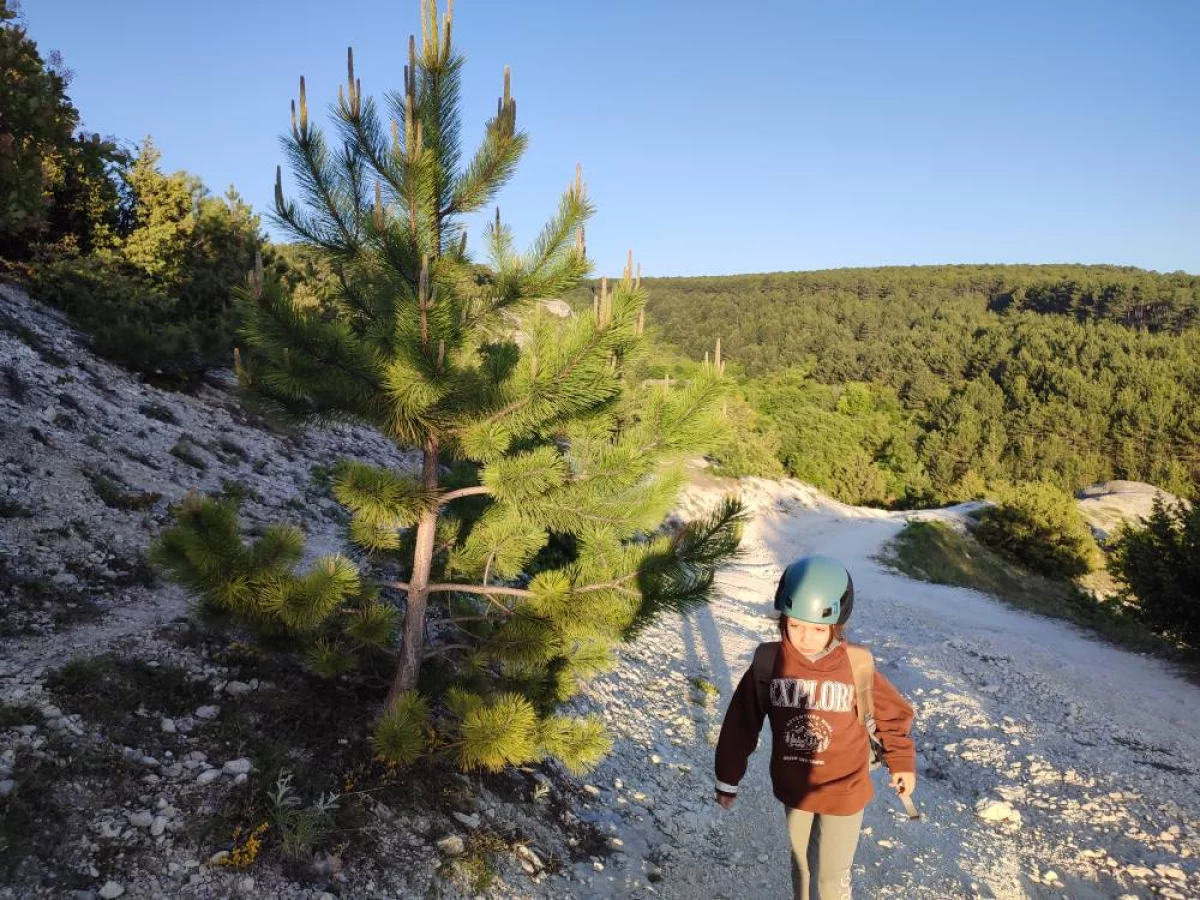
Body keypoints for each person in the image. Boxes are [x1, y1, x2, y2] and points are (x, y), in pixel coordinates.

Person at [713, 555, 916, 900]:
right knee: (802, 868)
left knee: (831, 878)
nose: (806, 637)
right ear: (782, 620)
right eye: (795, 625)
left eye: (819, 629)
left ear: (836, 625)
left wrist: (902, 763)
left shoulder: (856, 664)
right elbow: (740, 724)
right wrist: (727, 779)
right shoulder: (768, 663)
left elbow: (893, 715)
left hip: (845, 787)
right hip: (795, 787)